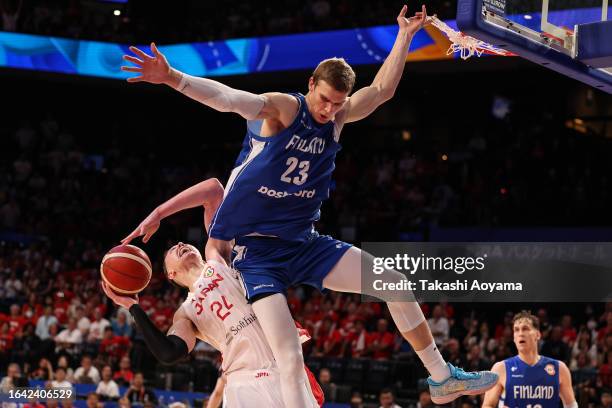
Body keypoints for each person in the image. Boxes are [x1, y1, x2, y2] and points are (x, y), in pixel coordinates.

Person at [121, 5, 497, 404]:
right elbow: (229, 98)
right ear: (311, 84)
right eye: (324, 100)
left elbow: (382, 91)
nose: (329, 110)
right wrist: (173, 78)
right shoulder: (284, 109)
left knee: (396, 284)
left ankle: (441, 378)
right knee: (287, 353)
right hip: (258, 255)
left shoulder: (338, 117)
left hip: (303, 242)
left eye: (338, 103)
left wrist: (404, 36)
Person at [104, 179, 322, 407]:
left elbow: (214, 191)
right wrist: (133, 307)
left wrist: (158, 213)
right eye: (171, 250)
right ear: (171, 274)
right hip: (243, 384)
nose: (179, 243)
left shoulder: (218, 258)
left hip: (284, 369)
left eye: (183, 242)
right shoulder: (185, 314)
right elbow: (169, 353)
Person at [482, 311, 578, 408]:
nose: (520, 333)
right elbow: (488, 405)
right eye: (516, 330)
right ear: (514, 338)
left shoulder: (559, 368)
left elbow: (571, 405)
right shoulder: (500, 368)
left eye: (525, 329)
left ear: (538, 335)